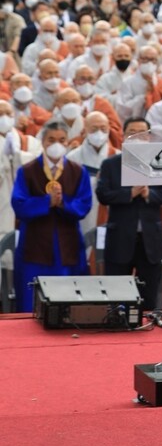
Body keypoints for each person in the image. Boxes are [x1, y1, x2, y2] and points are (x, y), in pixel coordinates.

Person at [11, 119, 92, 312]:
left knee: (68, 293)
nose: (56, 144)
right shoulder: (27, 170)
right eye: (51, 140)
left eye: (62, 139)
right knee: (32, 291)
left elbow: (84, 204)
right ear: (43, 142)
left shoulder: (78, 171)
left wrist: (63, 203)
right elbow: (19, 204)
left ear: (67, 142)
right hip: (34, 240)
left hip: (67, 239)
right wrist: (47, 202)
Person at [96, 118, 162, 312]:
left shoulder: (159, 162)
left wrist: (149, 194)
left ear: (149, 137)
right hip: (120, 236)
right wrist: (129, 194)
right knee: (116, 292)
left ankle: (147, 325)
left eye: (142, 133)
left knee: (148, 292)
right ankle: (116, 323)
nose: (137, 137)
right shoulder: (110, 164)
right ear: (123, 136)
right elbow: (103, 195)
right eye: (132, 132)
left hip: (149, 238)